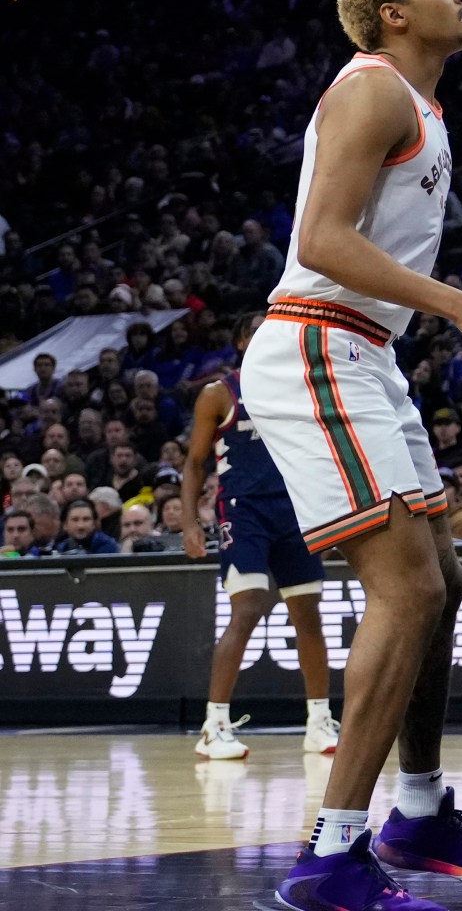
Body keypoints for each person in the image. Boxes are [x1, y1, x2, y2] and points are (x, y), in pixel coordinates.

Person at [243, 0, 462, 911]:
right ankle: (331, 853)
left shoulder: (420, 105)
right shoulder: (370, 89)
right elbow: (320, 241)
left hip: (364, 351)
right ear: (394, 15)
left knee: (443, 583)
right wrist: (460, 305)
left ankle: (417, 810)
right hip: (318, 343)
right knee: (406, 589)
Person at [180, 312, 339, 760]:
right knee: (248, 606)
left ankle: (318, 721)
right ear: (242, 342)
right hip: (244, 511)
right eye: (258, 329)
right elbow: (194, 463)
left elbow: (320, 455)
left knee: (308, 613)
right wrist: (191, 522)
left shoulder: (302, 387)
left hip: (294, 511)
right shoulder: (219, 393)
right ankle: (214, 726)